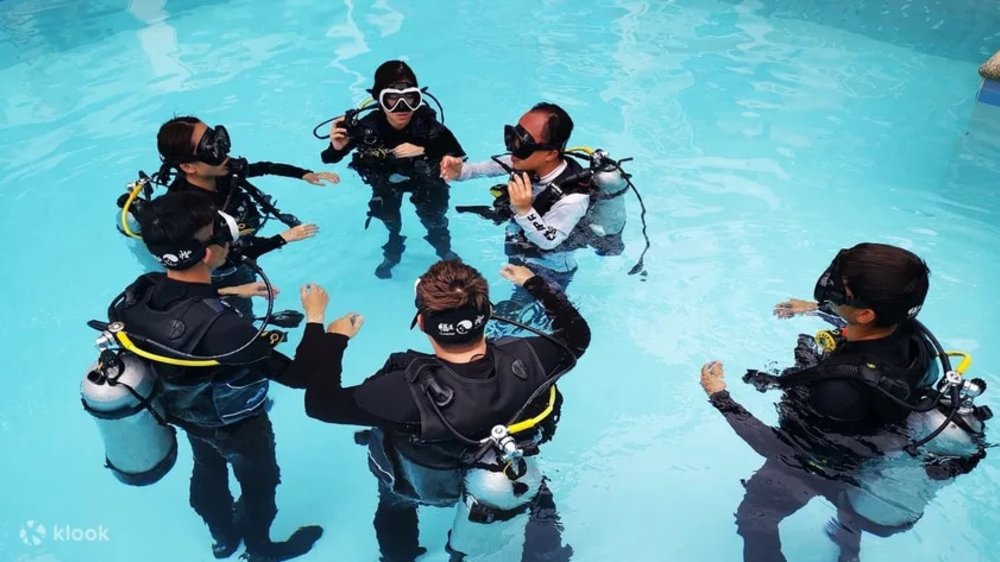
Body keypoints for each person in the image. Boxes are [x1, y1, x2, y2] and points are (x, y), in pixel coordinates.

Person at [699, 243, 989, 562]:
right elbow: (869, 328)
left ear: (865, 313)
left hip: (819, 464)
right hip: (873, 459)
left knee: (755, 517)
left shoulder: (837, 393)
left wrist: (720, 397)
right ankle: (848, 550)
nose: (831, 287)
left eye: (839, 290)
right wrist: (813, 308)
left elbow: (779, 448)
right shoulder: (917, 345)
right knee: (850, 499)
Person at [291, 259, 590, 561]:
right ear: (487, 313)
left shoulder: (397, 393)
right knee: (533, 490)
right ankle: (546, 552)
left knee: (395, 502)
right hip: (498, 468)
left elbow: (320, 404)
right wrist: (533, 283)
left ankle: (399, 556)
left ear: (421, 322)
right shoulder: (534, 357)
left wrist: (333, 337)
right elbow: (579, 334)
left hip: (425, 482)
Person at [112, 191, 323, 562]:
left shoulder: (136, 295)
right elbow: (300, 376)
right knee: (260, 484)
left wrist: (226, 290)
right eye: (220, 232)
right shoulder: (225, 330)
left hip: (185, 415)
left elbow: (181, 304)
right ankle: (260, 548)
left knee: (207, 467)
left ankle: (223, 538)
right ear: (209, 253)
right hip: (238, 425)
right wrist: (318, 319)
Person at [156, 116, 338, 315]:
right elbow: (227, 258)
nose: (224, 152)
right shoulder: (189, 211)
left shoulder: (220, 169)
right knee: (237, 310)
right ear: (188, 167)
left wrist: (303, 174)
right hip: (224, 273)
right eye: (211, 148)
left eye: (218, 138)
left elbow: (264, 168)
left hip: (243, 240)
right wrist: (285, 238)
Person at [440, 103, 592, 326]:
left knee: (521, 323)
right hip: (521, 255)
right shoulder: (523, 159)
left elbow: (550, 241)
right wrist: (458, 171)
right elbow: (479, 169)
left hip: (550, 270)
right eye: (514, 136)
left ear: (550, 153)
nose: (514, 148)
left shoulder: (574, 198)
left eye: (524, 143)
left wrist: (524, 210)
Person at [320, 60, 465, 279]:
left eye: (409, 99)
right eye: (392, 100)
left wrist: (424, 149)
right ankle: (394, 243)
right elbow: (328, 159)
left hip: (425, 181)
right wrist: (336, 147)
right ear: (379, 99)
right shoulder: (366, 128)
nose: (402, 109)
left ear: (418, 98)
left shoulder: (431, 128)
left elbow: (458, 156)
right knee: (388, 217)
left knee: (434, 218)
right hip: (386, 183)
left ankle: (443, 248)